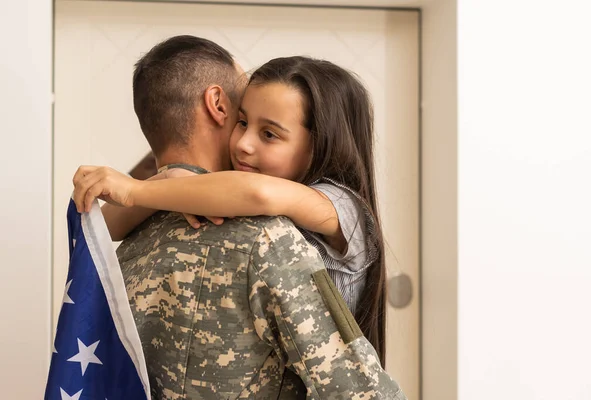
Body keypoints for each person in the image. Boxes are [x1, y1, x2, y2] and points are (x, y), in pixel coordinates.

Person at [73, 35, 404, 399]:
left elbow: (256, 193)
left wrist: (139, 189)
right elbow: (103, 228)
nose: (244, 143)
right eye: (242, 122)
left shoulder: (339, 207)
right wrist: (171, 180)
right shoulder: (240, 222)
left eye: (269, 134)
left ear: (320, 142)